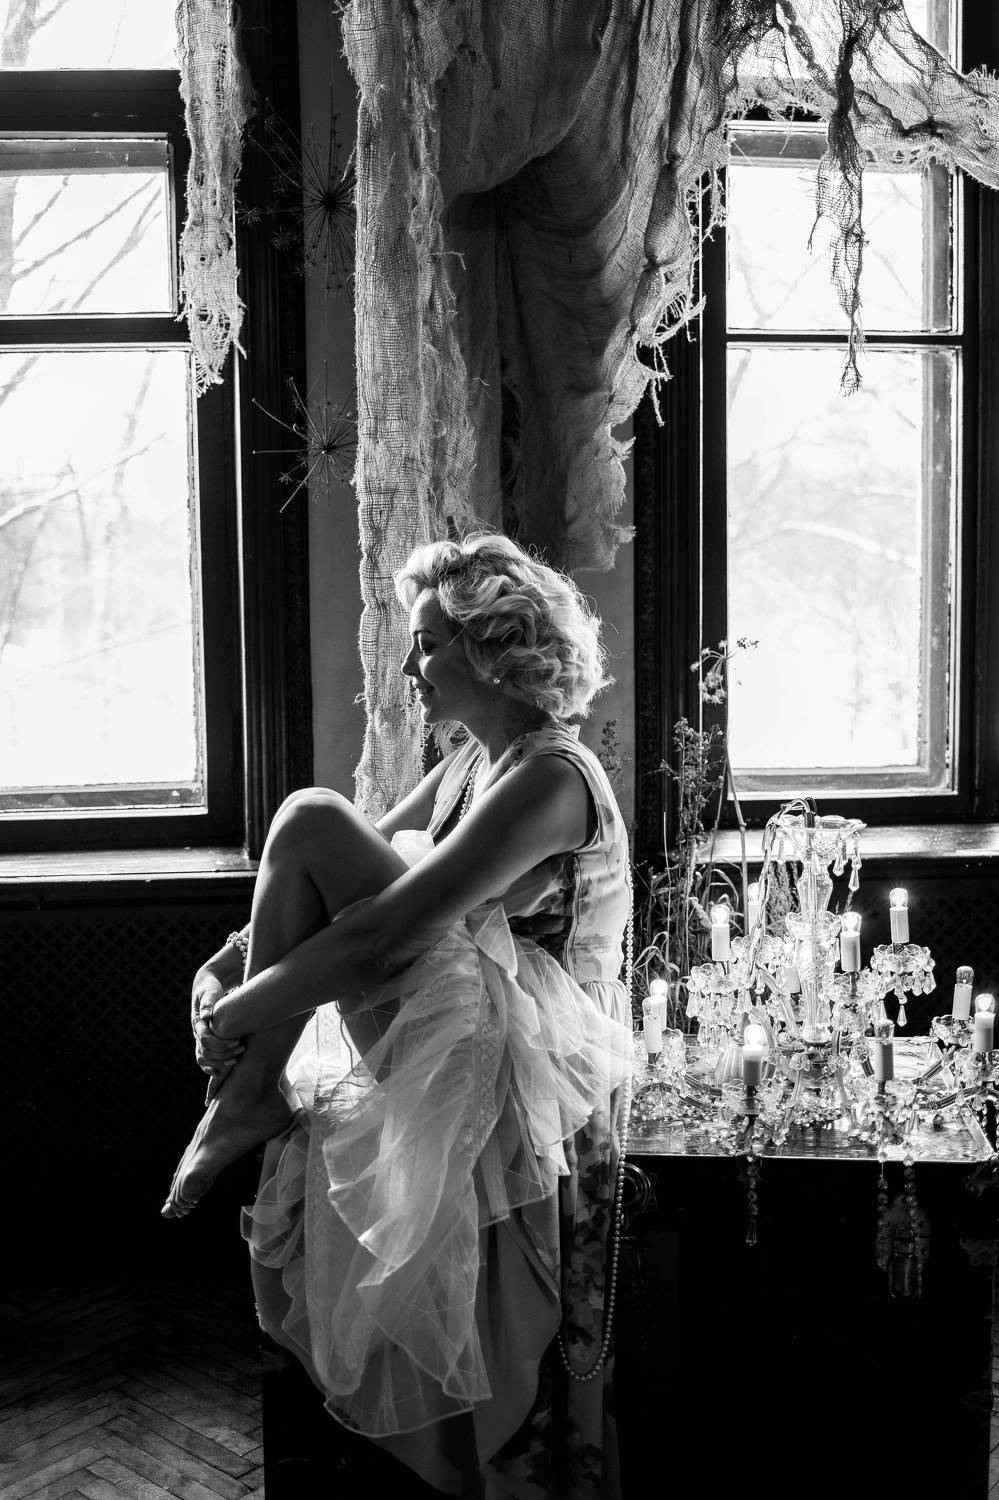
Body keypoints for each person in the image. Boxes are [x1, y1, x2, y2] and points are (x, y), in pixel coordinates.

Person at [161, 531, 634, 1498]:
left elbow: (383, 934)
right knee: (311, 823)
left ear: (491, 651)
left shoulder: (553, 777)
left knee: (308, 812)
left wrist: (242, 1013)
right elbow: (325, 879)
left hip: (538, 1060)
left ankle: (246, 1096)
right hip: (467, 1020)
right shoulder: (469, 761)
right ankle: (249, 1096)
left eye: (425, 644)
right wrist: (221, 964)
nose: (410, 669)